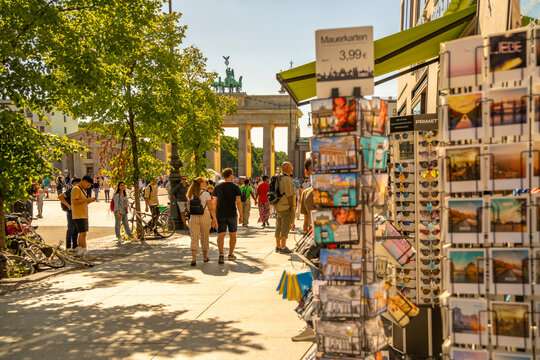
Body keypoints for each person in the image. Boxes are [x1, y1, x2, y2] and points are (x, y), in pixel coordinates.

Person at [212, 168, 243, 264]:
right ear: (230, 175)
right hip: (232, 214)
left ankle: (221, 254)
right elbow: (238, 203)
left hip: (220, 214)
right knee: (232, 234)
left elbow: (214, 203)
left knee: (221, 235)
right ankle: (230, 254)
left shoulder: (218, 187)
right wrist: (241, 215)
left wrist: (213, 217)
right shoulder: (235, 187)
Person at [187, 177, 217, 266]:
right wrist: (215, 219)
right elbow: (211, 208)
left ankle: (194, 258)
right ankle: (204, 257)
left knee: (194, 237)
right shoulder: (206, 194)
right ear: (200, 184)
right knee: (205, 236)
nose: (205, 183)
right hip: (205, 216)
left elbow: (188, 209)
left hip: (194, 217)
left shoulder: (190, 194)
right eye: (204, 182)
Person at [71, 175, 97, 257]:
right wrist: (86, 199)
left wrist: (90, 200)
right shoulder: (76, 189)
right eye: (88, 185)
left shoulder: (82, 190)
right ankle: (85, 252)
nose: (88, 187)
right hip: (79, 215)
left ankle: (81, 251)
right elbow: (75, 201)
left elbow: (83, 202)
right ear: (84, 181)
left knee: (82, 234)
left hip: (83, 214)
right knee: (83, 234)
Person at [274, 162, 296, 254]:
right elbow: (290, 194)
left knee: (278, 226)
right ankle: (283, 247)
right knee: (285, 226)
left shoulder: (278, 178)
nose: (292, 168)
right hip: (286, 206)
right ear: (286, 168)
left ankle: (278, 246)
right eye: (291, 167)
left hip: (278, 206)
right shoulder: (287, 179)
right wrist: (292, 206)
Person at [59, 178, 81, 250]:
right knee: (71, 229)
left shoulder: (79, 190)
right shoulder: (71, 190)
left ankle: (75, 245)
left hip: (77, 212)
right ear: (75, 183)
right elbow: (60, 197)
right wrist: (68, 205)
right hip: (71, 212)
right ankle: (68, 246)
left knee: (76, 229)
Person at [300, 158, 315, 233]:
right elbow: (306, 222)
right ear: (306, 172)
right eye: (313, 169)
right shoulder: (305, 193)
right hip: (313, 236)